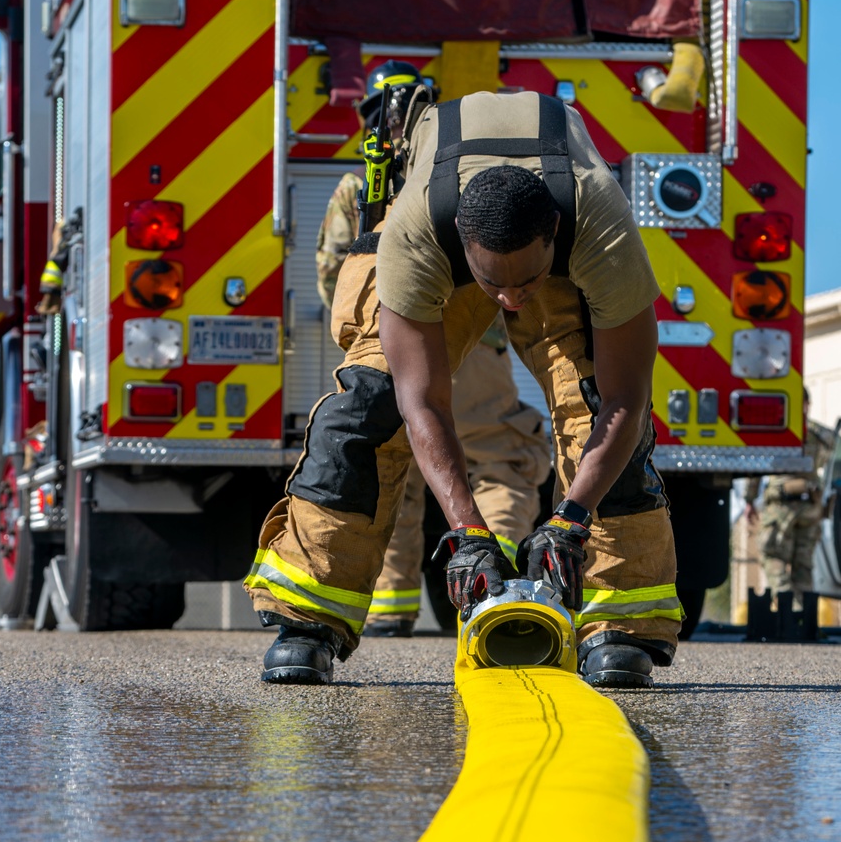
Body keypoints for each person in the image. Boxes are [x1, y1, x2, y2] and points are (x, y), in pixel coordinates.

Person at [245, 88, 681, 688]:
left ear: (553, 235)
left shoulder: (601, 229)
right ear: (461, 248)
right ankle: (308, 621)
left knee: (594, 403)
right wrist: (469, 531)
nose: (511, 303)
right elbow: (418, 400)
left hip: (554, 243)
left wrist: (571, 520)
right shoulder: (415, 235)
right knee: (364, 408)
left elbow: (627, 402)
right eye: (491, 286)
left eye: (526, 283)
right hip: (450, 242)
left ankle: (620, 625)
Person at [315, 72, 550, 636]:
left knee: (395, 467)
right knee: (498, 462)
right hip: (476, 349)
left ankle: (390, 607)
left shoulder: (356, 190)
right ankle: (498, 584)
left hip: (391, 350)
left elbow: (333, 272)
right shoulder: (454, 174)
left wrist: (364, 339)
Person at [743, 392, 833, 602]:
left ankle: (787, 609)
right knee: (804, 565)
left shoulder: (776, 430)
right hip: (811, 507)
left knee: (774, 559)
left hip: (780, 506)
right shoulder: (820, 435)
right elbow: (828, 455)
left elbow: (755, 467)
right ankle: (803, 616)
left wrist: (749, 499)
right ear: (808, 404)